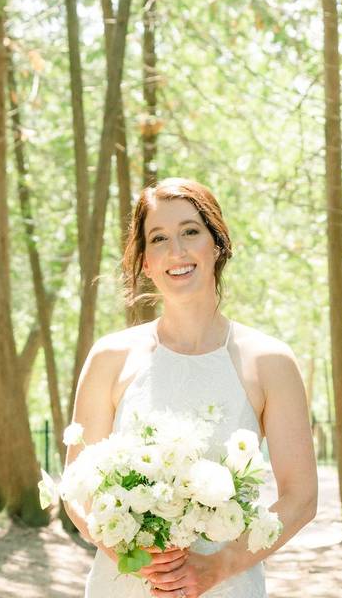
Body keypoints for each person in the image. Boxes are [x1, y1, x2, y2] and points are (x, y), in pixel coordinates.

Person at [66, 178, 317, 598]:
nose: (176, 251)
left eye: (190, 232)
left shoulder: (270, 361)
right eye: (159, 238)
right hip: (125, 584)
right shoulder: (110, 357)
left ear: (217, 244)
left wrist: (220, 566)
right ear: (145, 261)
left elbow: (301, 497)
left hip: (225, 585)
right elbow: (76, 487)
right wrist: (131, 555)